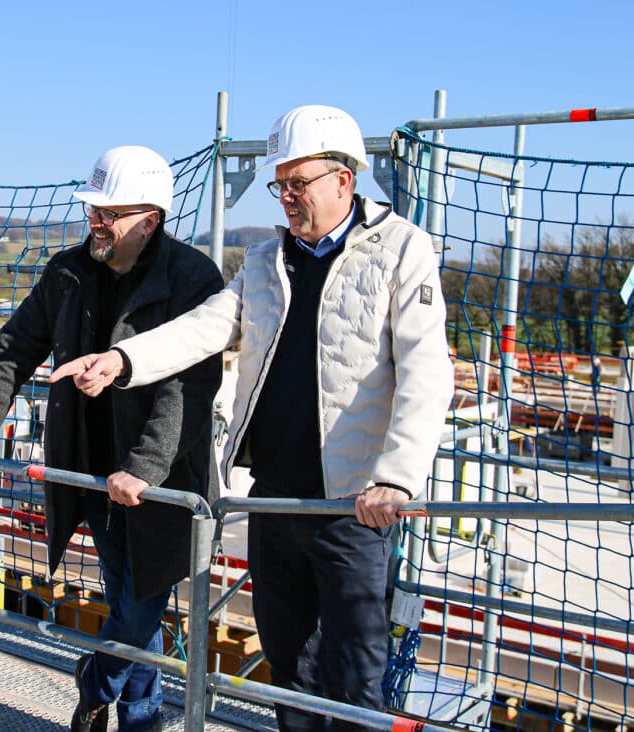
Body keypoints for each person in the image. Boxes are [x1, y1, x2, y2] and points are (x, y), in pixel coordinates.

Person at [51, 105, 454, 731]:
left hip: (353, 502)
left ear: (343, 180)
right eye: (281, 185)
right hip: (273, 499)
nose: (287, 197)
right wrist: (124, 359)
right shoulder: (267, 260)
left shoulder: (402, 249)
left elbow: (427, 373)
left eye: (299, 183)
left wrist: (397, 478)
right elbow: (206, 326)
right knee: (289, 669)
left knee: (354, 676)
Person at [0, 145, 224, 732]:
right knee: (130, 591)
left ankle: (96, 683)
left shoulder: (192, 278)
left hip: (164, 474)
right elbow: (13, 350)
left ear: (150, 220)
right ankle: (140, 715)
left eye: (108, 214)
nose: (94, 223)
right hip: (94, 470)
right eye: (92, 212)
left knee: (145, 596)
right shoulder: (67, 274)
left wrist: (146, 467)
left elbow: (189, 386)